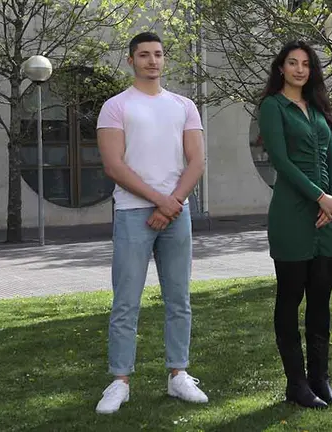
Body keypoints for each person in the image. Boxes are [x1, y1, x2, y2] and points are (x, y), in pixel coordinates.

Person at [94, 31, 208, 414]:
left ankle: (178, 375)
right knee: (126, 302)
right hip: (132, 213)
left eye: (158, 54)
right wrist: (162, 201)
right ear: (131, 60)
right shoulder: (115, 107)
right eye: (144, 55)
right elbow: (114, 166)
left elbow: (196, 162)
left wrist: (172, 203)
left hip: (176, 213)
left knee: (179, 299)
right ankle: (119, 381)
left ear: (164, 59)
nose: (152, 61)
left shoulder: (184, 106)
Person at [258, 41, 332, 409]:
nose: (299, 69)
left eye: (305, 64)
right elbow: (281, 160)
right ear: (281, 68)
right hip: (293, 214)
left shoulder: (319, 108)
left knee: (321, 303)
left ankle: (320, 381)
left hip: (327, 218)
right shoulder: (272, 106)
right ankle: (296, 385)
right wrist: (318, 197)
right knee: (291, 299)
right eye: (292, 63)